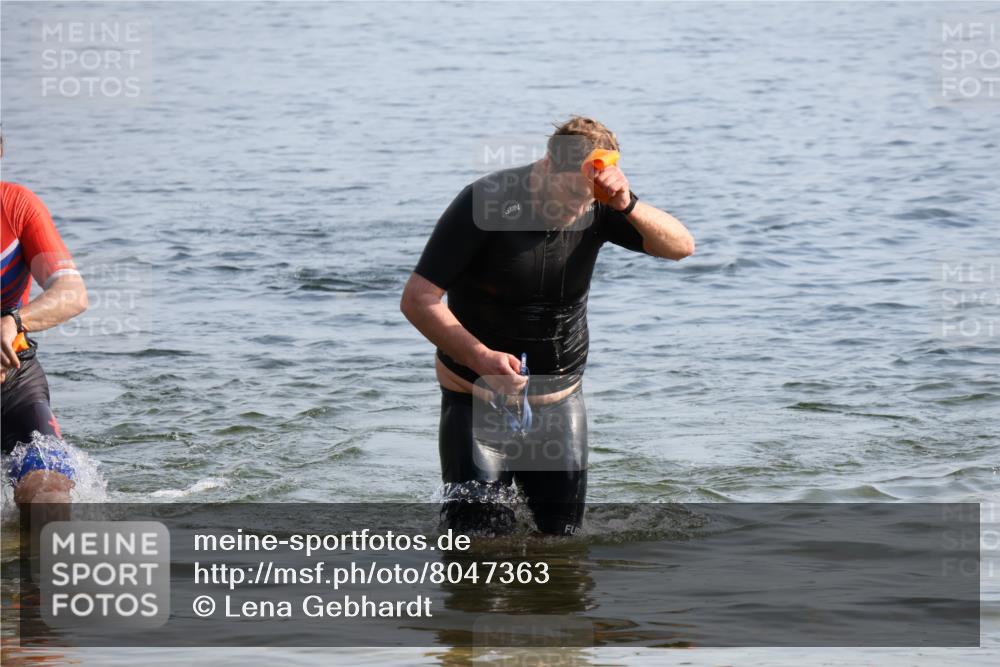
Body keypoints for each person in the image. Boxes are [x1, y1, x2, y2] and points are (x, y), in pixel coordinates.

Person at [401, 117, 695, 535]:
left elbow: (682, 247)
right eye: (572, 195)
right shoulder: (483, 202)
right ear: (545, 167)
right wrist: (482, 358)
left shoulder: (600, 200)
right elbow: (418, 299)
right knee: (476, 549)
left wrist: (626, 205)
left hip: (558, 404)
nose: (579, 209)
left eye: (588, 201)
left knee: (562, 545)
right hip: (475, 400)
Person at [1, 134, 89, 504]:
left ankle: (35, 558)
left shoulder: (16, 207)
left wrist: (15, 321)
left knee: (48, 494)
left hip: (13, 382)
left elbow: (72, 293)